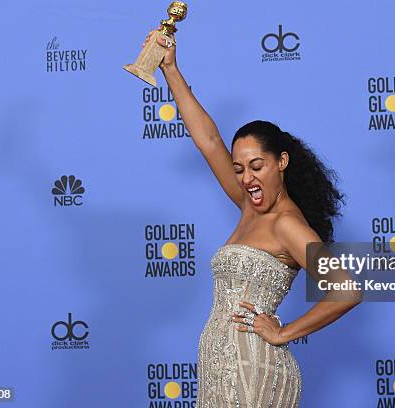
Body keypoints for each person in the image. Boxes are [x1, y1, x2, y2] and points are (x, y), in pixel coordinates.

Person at [143, 29, 361, 408]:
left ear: (282, 162)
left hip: (254, 369)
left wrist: (284, 333)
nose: (246, 178)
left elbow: (347, 290)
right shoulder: (249, 205)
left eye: (256, 166)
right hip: (218, 367)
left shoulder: (287, 225)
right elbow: (209, 141)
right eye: (239, 169)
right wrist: (171, 69)